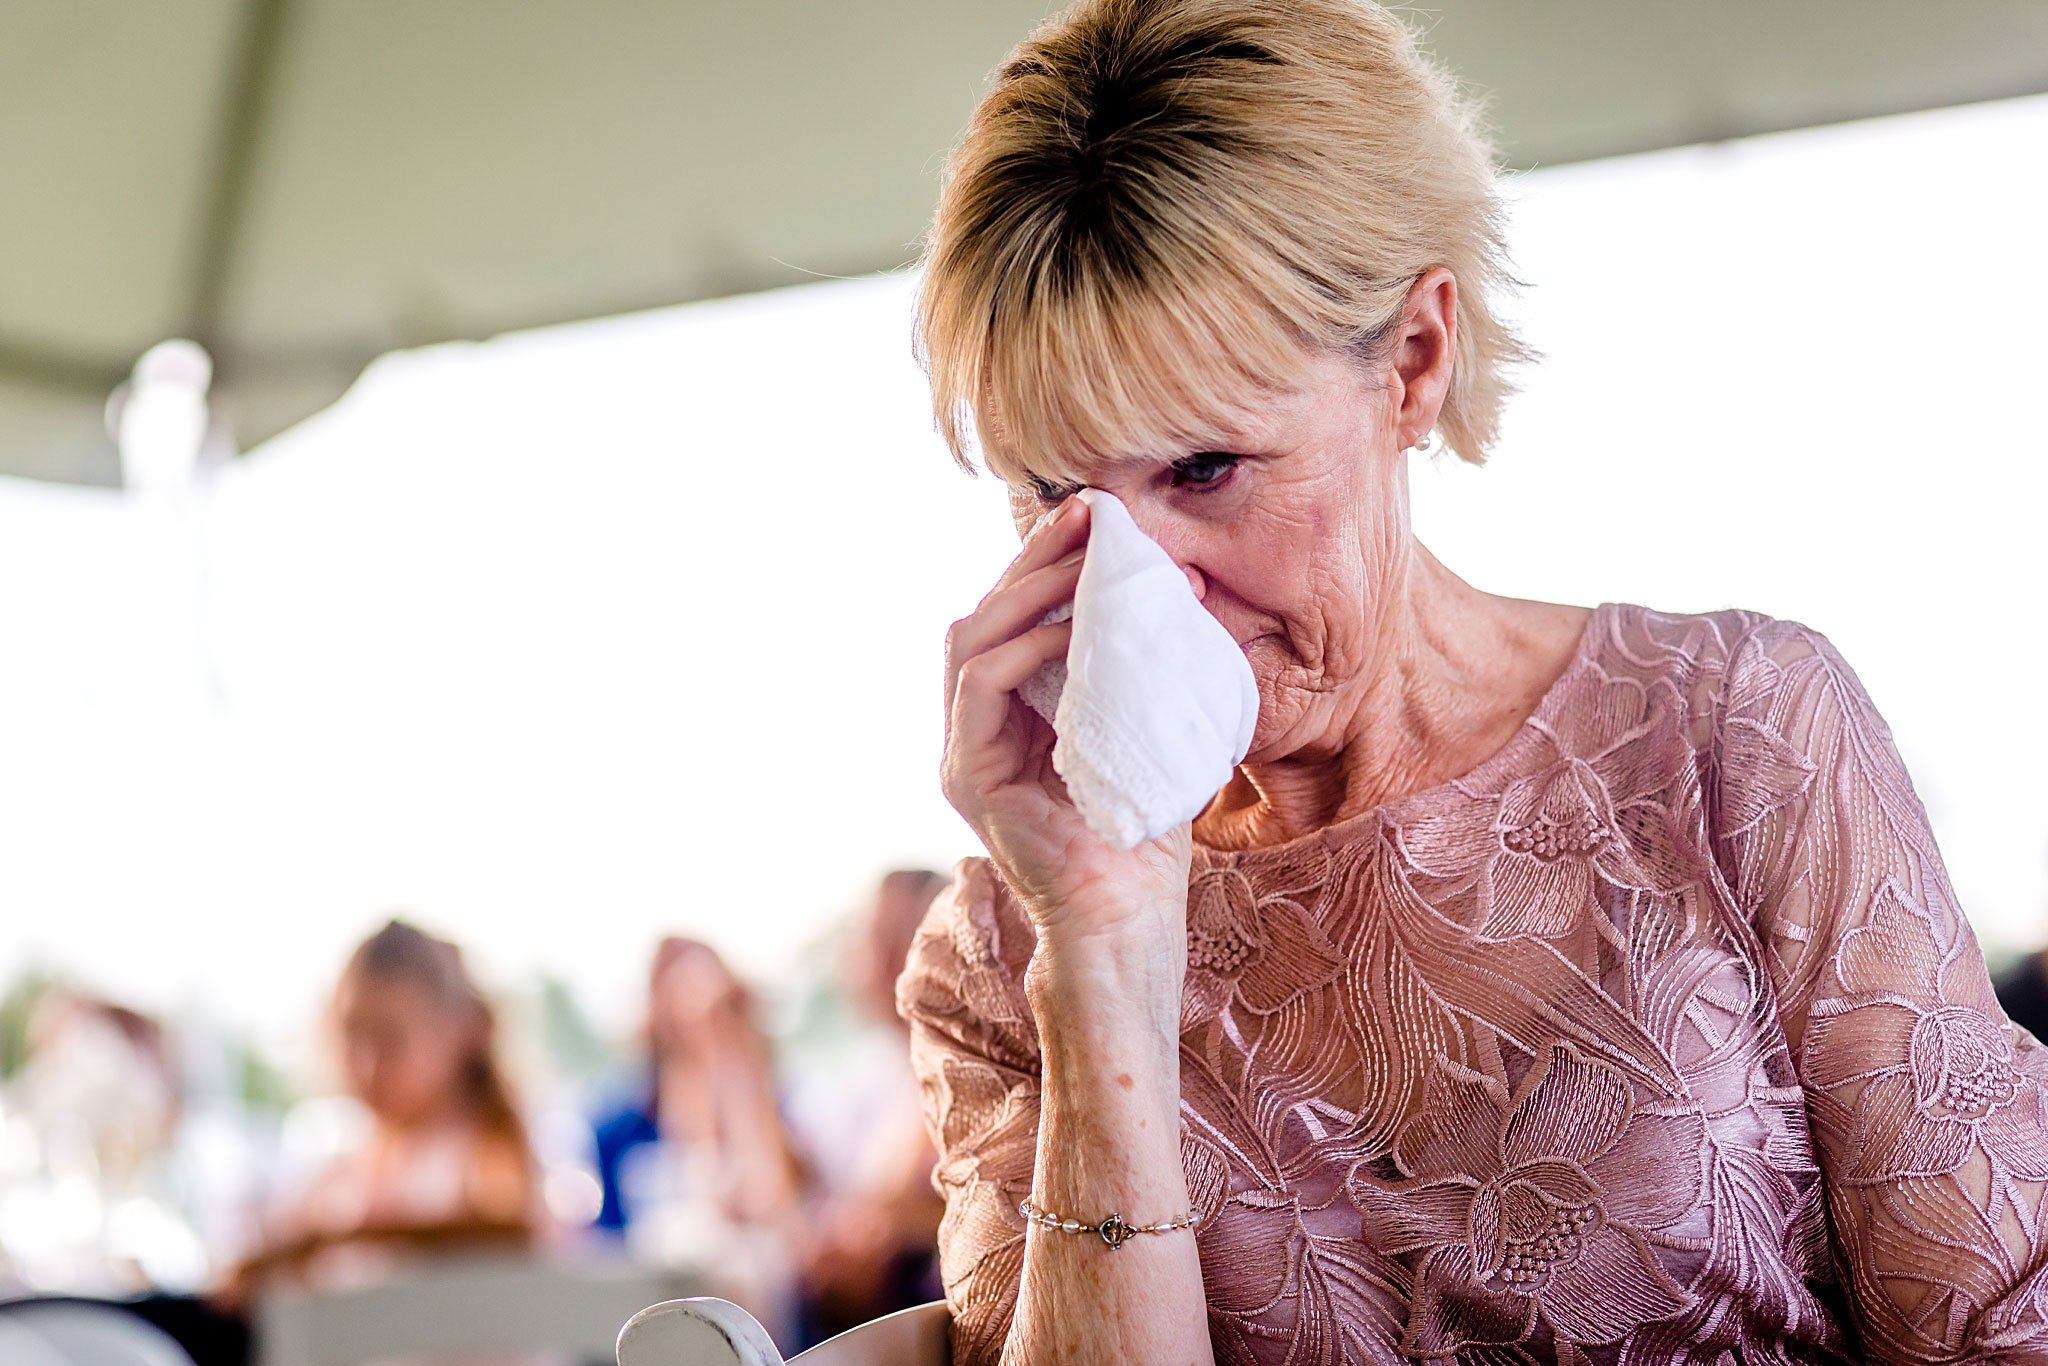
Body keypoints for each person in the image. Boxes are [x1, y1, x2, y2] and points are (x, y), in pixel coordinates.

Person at [899, 1, 2048, 1362]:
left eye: (1203, 469)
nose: (1138, 584)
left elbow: (1993, 1332)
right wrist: (1098, 953)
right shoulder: (1003, 950)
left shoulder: (1737, 736)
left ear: (1415, 362)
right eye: (1057, 495)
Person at [221, 920, 537, 1304]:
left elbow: (510, 1228)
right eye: (353, 1034)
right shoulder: (345, 1161)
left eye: (391, 1037)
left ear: (460, 1029)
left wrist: (340, 1238)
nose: (368, 1065)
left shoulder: (494, 1136)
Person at [591, 936, 806, 1340]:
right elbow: (607, 1245)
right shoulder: (617, 1127)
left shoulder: (775, 1108)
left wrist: (732, 1066)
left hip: (761, 1325)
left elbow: (779, 1211)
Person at [795, 871, 949, 1341]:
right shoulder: (865, 1071)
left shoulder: (959, 1065)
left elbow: (892, 1198)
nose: (883, 960)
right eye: (874, 940)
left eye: (900, 938)